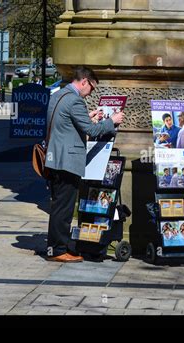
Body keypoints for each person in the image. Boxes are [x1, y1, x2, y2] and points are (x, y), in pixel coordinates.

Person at [45, 66, 125, 262]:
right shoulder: (75, 101)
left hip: (54, 158)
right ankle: (58, 250)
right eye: (92, 88)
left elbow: (63, 123)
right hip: (67, 161)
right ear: (84, 82)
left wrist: (87, 116)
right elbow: (93, 131)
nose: (92, 92)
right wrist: (112, 121)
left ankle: (55, 246)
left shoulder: (59, 95)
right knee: (64, 208)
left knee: (58, 205)